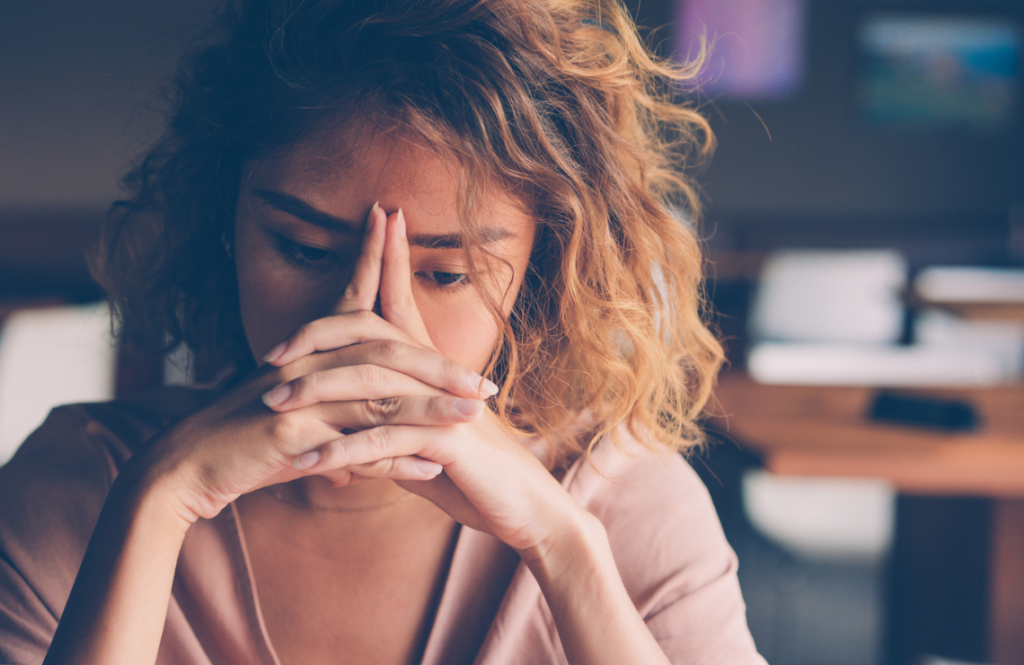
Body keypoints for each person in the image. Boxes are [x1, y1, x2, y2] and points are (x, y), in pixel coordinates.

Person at [0, 0, 767, 663]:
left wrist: (566, 552)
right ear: (224, 221)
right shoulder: (81, 489)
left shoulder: (626, 509)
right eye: (302, 249)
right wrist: (159, 502)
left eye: (446, 273)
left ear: (540, 268)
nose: (366, 326)